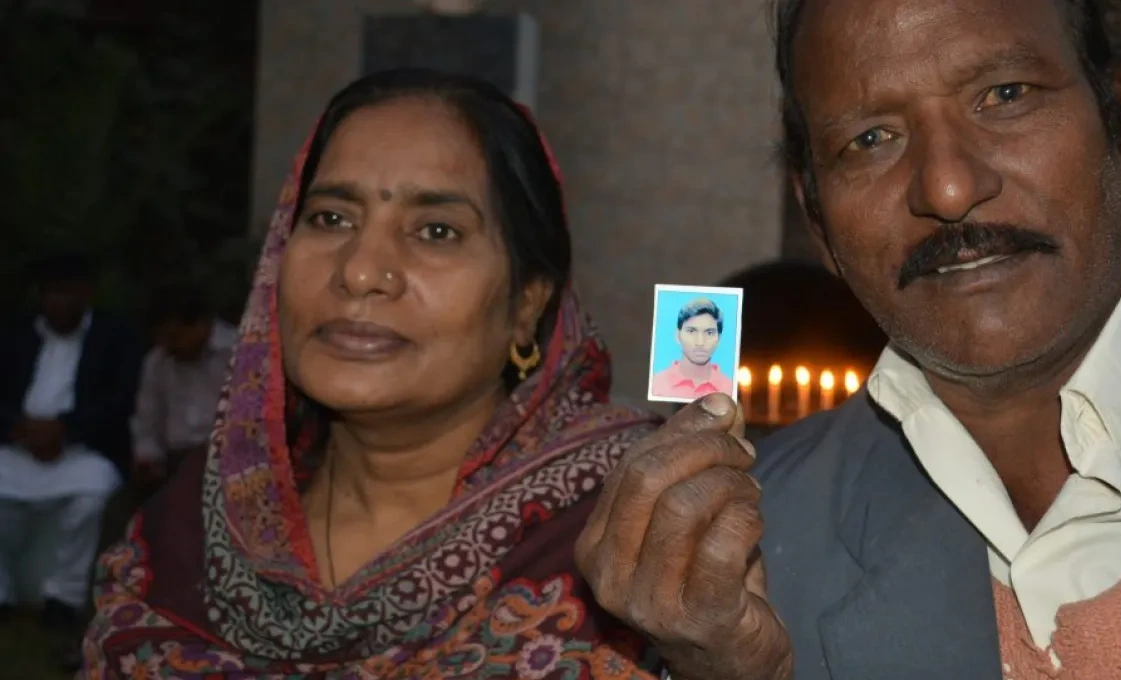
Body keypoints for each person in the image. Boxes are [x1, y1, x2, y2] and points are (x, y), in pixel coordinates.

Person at [576, 0, 1121, 678]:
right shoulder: (745, 560)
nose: (948, 185)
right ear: (818, 222)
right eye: (870, 139)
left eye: (1004, 95)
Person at [81, 69, 664, 678]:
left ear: (527, 304)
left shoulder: (626, 532)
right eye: (331, 219)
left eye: (436, 231)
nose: (360, 271)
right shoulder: (195, 521)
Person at [0, 252, 142, 634]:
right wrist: (19, 426)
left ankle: (64, 598)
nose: (55, 302)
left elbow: (121, 398)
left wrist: (66, 429)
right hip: (17, 446)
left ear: (86, 293)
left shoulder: (116, 336)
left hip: (82, 450)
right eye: (47, 293)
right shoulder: (16, 333)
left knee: (91, 500)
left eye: (64, 292)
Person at [130, 281, 238, 488]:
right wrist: (148, 459)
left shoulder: (238, 352)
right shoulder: (157, 363)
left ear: (203, 325)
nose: (170, 345)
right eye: (163, 338)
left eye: (176, 336)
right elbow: (147, 425)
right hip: (175, 464)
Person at [650, 298, 734, 401]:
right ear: (677, 335)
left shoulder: (730, 389)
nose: (700, 342)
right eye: (691, 331)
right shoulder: (656, 384)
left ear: (719, 339)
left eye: (709, 333)